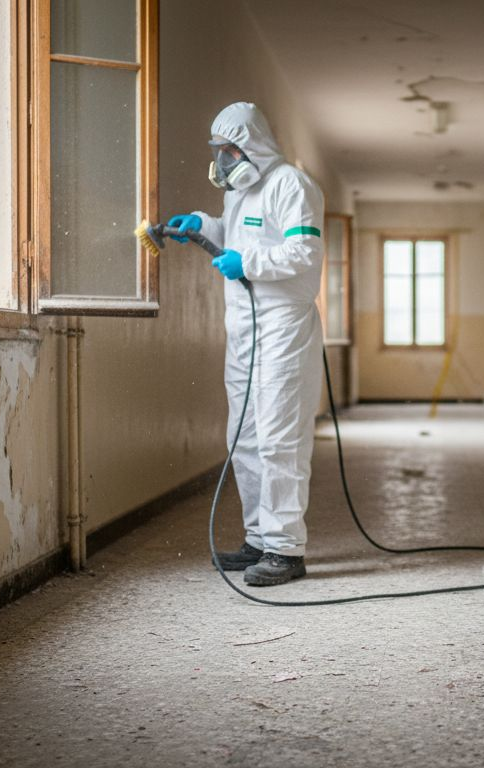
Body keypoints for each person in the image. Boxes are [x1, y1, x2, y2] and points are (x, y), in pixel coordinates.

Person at [165, 102, 325, 586]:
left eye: (229, 150)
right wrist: (202, 226)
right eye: (217, 151)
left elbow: (303, 249)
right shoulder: (240, 192)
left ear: (251, 145)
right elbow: (235, 235)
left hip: (283, 329)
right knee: (245, 437)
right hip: (243, 328)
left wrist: (247, 263)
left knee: (279, 439)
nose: (223, 160)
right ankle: (258, 538)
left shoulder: (290, 184)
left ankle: (285, 549)